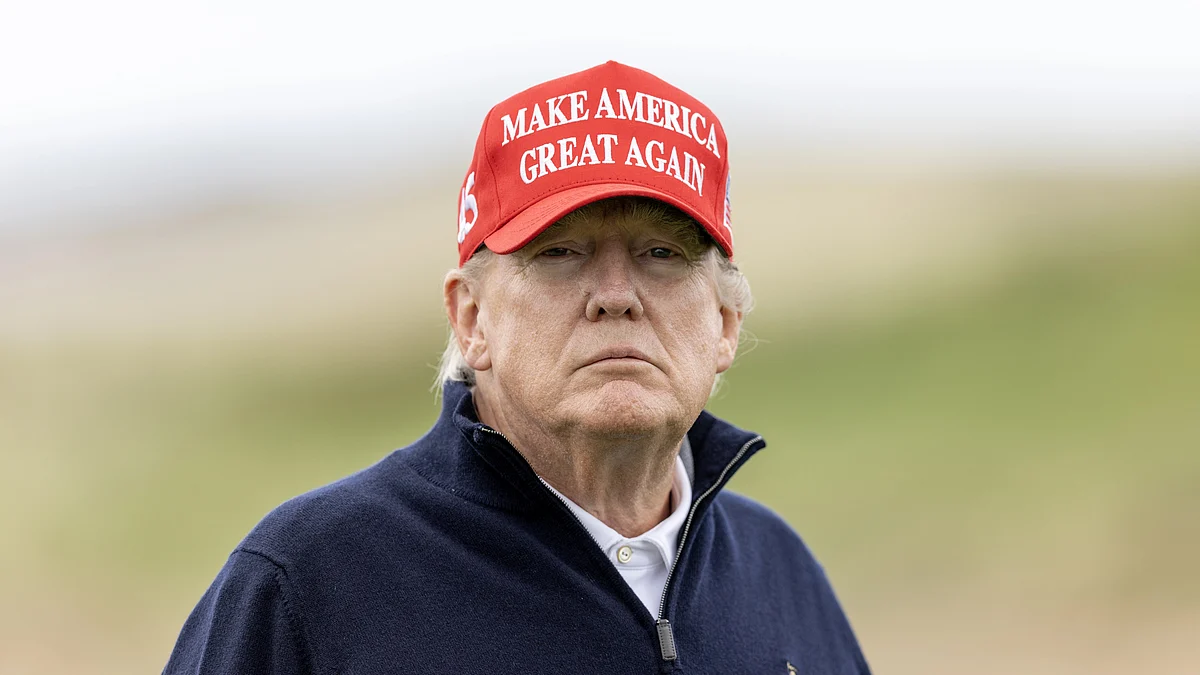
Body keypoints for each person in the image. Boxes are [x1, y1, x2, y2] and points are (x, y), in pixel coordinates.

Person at [164, 61, 870, 674]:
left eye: (662, 252)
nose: (616, 297)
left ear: (724, 324)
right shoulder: (312, 582)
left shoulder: (778, 571)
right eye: (560, 253)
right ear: (471, 317)